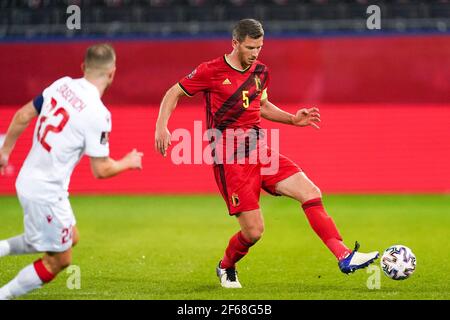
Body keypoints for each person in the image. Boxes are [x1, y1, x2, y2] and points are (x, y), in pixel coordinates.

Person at [155, 19, 379, 289]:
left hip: (261, 152)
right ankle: (226, 266)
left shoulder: (261, 71)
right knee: (254, 232)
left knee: (310, 192)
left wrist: (292, 119)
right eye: (250, 47)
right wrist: (161, 127)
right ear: (235, 43)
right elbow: (173, 93)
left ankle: (344, 255)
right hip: (231, 160)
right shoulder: (211, 70)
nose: (255, 53)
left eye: (260, 47)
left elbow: (260, 105)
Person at [0, 43, 143, 299]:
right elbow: (101, 170)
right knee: (60, 260)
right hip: (46, 192)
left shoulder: (61, 84)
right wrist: (127, 162)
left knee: (69, 237)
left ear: (82, 67)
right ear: (112, 73)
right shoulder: (98, 113)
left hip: (27, 180)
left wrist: (5, 152)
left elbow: (22, 115)